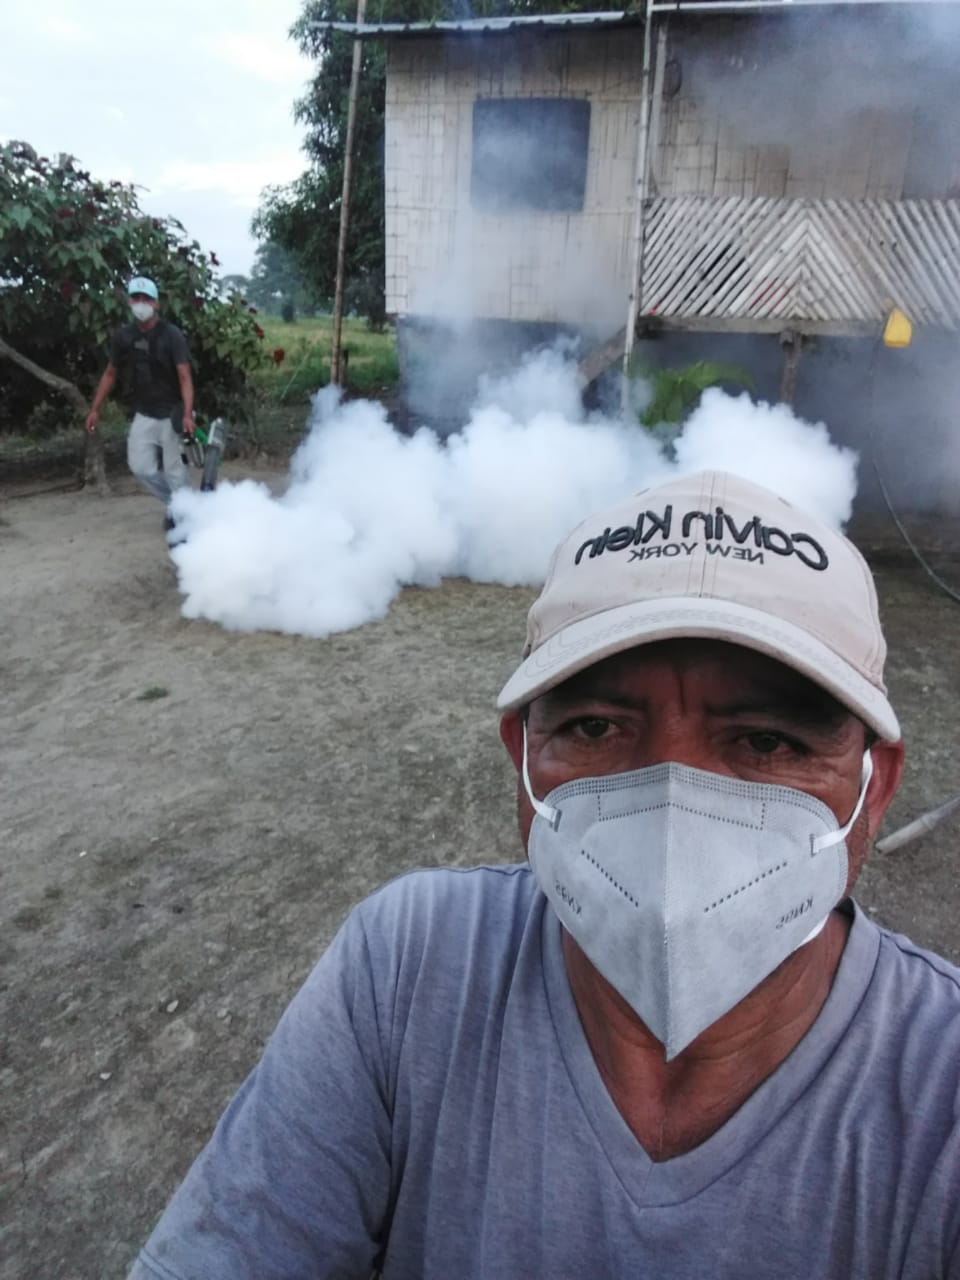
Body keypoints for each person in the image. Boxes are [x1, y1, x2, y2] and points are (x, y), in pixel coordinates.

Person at [127, 470, 960, 1280]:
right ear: (523, 756)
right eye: (596, 726)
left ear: (875, 785)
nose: (673, 812)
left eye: (767, 741)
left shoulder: (940, 1086)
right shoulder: (406, 968)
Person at [85, 276, 196, 526]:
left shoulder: (172, 335)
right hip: (145, 413)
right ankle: (176, 505)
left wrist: (188, 415)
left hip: (173, 414)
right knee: (140, 468)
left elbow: (185, 376)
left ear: (156, 304)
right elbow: (110, 373)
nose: (141, 303)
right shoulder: (123, 336)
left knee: (176, 472)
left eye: (147, 299)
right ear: (129, 301)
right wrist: (95, 409)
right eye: (136, 298)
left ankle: (184, 521)